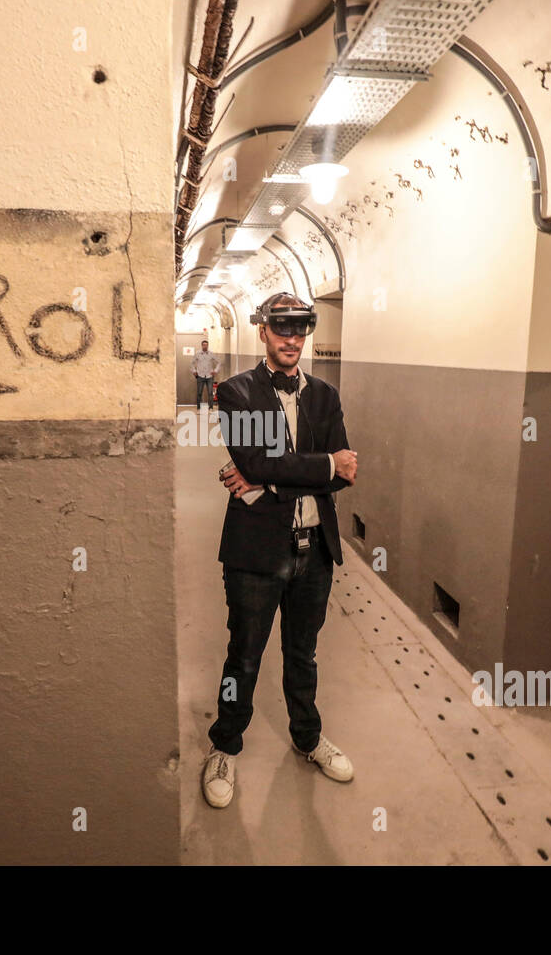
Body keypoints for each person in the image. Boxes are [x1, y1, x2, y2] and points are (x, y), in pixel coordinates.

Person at [202, 292, 359, 809]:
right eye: (281, 328)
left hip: (314, 550)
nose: (291, 338)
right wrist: (318, 467)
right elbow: (258, 459)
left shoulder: (325, 396)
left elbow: (342, 476)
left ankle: (308, 737)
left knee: (303, 653)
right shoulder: (236, 392)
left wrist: (267, 477)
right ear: (263, 331)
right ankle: (224, 745)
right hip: (256, 553)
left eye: (300, 329)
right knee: (242, 656)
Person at [191, 340, 220, 409]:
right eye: (204, 345)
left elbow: (219, 362)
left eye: (206, 345)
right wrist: (194, 371)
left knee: (210, 393)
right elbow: (191, 363)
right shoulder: (197, 353)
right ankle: (198, 408)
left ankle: (210, 407)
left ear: (208, 346)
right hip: (200, 376)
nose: (205, 346)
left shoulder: (211, 354)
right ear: (202, 345)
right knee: (199, 393)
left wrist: (215, 371)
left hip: (209, 376)